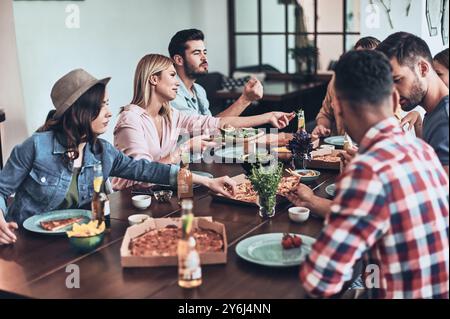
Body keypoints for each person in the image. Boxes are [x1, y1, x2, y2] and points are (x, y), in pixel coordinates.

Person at [0, 69, 237, 245]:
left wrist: (207, 181)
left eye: (108, 104)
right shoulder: (35, 147)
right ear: (81, 111)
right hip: (25, 242)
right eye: (102, 106)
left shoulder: (101, 151)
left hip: (78, 240)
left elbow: (149, 170)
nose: (110, 112)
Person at [287, 50, 449, 299]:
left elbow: (321, 281)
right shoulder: (423, 151)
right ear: (395, 100)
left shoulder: (367, 170)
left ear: (338, 107)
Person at [112, 54, 295, 190]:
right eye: (172, 75)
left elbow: (215, 123)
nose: (177, 82)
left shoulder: (171, 115)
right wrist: (184, 149)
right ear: (153, 79)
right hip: (129, 201)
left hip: (161, 193)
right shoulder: (131, 120)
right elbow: (143, 177)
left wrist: (268, 116)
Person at [377, 32, 449, 174]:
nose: (392, 93)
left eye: (397, 80)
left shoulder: (445, 120)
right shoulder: (434, 112)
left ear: (422, 68)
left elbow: (440, 194)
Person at [168, 29, 263, 117]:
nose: (204, 58)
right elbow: (203, 129)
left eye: (204, 52)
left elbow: (211, 125)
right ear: (179, 60)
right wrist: (245, 99)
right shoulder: (171, 92)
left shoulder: (199, 90)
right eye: (197, 53)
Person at [312, 37, 381, 138]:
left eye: (370, 58)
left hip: (373, 147)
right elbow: (326, 113)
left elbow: (394, 121)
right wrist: (322, 127)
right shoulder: (338, 78)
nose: (364, 63)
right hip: (339, 146)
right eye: (359, 57)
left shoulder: (386, 84)